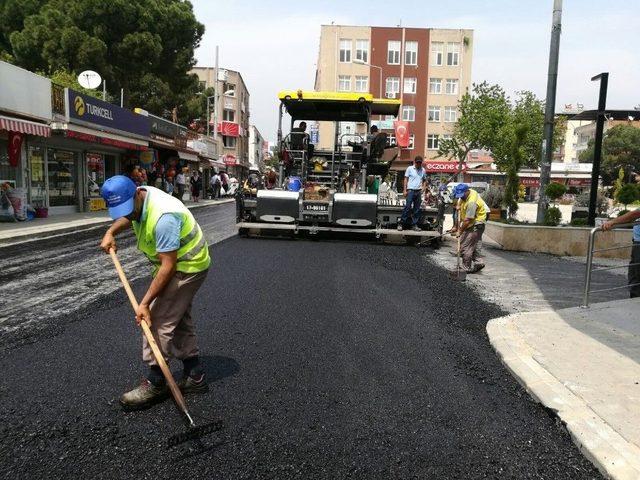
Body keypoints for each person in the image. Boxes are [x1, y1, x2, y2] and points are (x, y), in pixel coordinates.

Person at [99, 175, 211, 409]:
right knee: (178, 318)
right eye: (121, 211)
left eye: (128, 208)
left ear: (137, 193)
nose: (128, 214)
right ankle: (195, 375)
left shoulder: (164, 218)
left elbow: (168, 266)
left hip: (186, 266)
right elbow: (130, 218)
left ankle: (156, 381)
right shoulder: (141, 198)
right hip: (180, 263)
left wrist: (145, 304)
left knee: (156, 320)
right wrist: (111, 232)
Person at [602, 204, 640, 298]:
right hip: (637, 242)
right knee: (634, 276)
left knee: (636, 276)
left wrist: (613, 222)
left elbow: (635, 214)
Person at [454, 183, 487, 273]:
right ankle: (478, 262)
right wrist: (459, 206)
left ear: (466, 191)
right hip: (474, 223)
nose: (460, 197)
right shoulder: (469, 193)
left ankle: (466, 267)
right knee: (474, 245)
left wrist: (460, 231)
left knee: (465, 246)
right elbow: (462, 203)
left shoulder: (472, 202)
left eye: (462, 195)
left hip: (475, 224)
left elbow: (468, 220)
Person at [399, 156, 427, 231]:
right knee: (407, 207)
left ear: (421, 163)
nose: (418, 164)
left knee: (417, 209)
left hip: (418, 191)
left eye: (420, 162)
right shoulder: (410, 168)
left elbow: (424, 180)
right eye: (417, 162)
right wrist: (404, 190)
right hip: (410, 190)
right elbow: (405, 179)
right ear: (415, 162)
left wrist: (424, 188)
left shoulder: (423, 170)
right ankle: (401, 223)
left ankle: (414, 225)